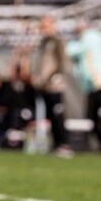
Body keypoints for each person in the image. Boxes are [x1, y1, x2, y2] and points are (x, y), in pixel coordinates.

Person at [67, 19, 101, 152]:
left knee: (96, 117)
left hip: (97, 82)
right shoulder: (96, 37)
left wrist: (71, 43)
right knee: (96, 116)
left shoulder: (88, 38)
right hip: (94, 83)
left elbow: (71, 51)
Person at [29, 16, 72, 157]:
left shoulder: (57, 42)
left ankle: (63, 144)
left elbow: (61, 62)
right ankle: (55, 143)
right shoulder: (42, 43)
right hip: (44, 86)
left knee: (57, 114)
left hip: (55, 85)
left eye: (45, 26)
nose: (43, 29)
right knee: (50, 116)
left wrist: (52, 76)